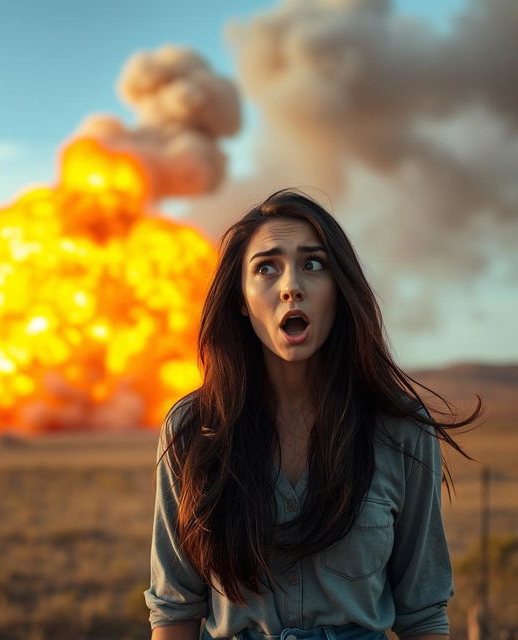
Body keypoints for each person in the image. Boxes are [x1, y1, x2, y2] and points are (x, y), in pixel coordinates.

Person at [143, 189, 483, 640]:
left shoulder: (401, 428)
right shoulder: (193, 429)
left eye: (314, 263)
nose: (290, 285)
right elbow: (174, 612)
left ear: (339, 290)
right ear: (241, 299)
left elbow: (422, 613)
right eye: (266, 267)